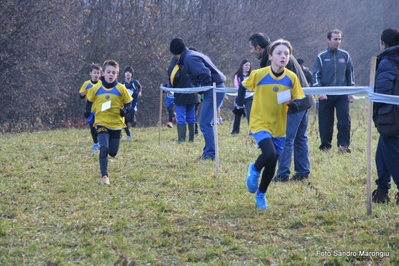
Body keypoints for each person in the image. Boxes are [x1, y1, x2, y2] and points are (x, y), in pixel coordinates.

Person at [242, 39, 305, 210]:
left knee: (272, 162)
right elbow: (244, 86)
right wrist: (240, 105)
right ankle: (254, 169)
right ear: (270, 56)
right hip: (259, 121)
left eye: (286, 54)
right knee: (268, 153)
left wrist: (293, 104)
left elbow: (298, 97)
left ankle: (261, 195)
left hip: (279, 125)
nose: (283, 56)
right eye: (279, 53)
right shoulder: (259, 74)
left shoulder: (291, 78)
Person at [169, 38, 226, 160]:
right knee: (206, 122)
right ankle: (209, 151)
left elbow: (205, 75)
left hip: (213, 89)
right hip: (214, 88)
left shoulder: (190, 58)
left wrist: (202, 89)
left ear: (174, 53)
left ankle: (210, 154)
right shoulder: (192, 55)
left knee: (205, 123)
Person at [85, 59, 133, 185]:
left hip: (116, 124)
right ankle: (104, 176)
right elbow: (89, 101)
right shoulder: (96, 88)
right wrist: (87, 111)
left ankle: (112, 140)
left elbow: (129, 102)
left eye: (113, 73)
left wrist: (125, 110)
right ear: (103, 74)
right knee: (104, 149)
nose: (111, 74)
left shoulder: (121, 88)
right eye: (108, 72)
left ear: (117, 75)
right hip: (101, 122)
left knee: (112, 152)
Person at [312, 29, 355, 153]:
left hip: (342, 95)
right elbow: (316, 76)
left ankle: (343, 146)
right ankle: (325, 146)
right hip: (326, 95)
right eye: (335, 39)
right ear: (328, 40)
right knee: (325, 123)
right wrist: (320, 92)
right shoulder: (321, 57)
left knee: (344, 121)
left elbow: (350, 74)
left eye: (339, 39)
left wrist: (351, 92)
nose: (338, 42)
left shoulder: (345, 56)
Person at [371, 28, 399, 205]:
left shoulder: (387, 62)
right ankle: (382, 189)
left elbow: (382, 92)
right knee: (382, 153)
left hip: (391, 118)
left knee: (393, 156)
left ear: (384, 44)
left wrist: (376, 107)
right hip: (394, 115)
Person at [167, 55, 200, 143]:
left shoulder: (176, 63)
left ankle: (181, 140)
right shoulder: (191, 62)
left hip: (181, 94)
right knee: (191, 116)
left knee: (181, 116)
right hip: (193, 93)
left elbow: (173, 77)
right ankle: (191, 139)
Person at [79, 63, 102, 152]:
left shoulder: (101, 84)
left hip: (100, 109)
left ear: (100, 74)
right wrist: (82, 95)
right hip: (90, 109)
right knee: (92, 128)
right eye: (94, 73)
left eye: (98, 73)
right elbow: (81, 94)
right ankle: (96, 143)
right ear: (90, 73)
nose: (96, 75)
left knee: (100, 127)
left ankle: (100, 142)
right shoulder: (86, 84)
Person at [121, 66, 142, 140]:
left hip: (133, 103)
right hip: (125, 103)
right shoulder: (122, 83)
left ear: (131, 74)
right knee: (124, 119)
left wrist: (139, 92)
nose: (128, 74)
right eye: (126, 72)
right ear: (124, 74)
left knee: (129, 119)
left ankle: (133, 119)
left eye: (129, 72)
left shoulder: (135, 82)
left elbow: (140, 87)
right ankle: (127, 134)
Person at [231, 59, 252, 135]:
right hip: (239, 97)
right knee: (238, 114)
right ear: (242, 66)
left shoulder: (251, 75)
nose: (248, 67)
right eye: (246, 65)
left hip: (249, 97)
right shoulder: (237, 75)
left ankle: (251, 131)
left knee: (250, 113)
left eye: (249, 65)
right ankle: (235, 131)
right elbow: (236, 86)